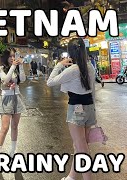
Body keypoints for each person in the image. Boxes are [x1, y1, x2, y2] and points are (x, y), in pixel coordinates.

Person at [47, 38, 96, 180]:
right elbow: (92, 91)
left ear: (70, 53)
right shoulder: (90, 67)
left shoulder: (73, 70)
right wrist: (94, 114)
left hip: (76, 110)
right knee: (80, 146)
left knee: (82, 149)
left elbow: (50, 82)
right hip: (89, 109)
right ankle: (72, 177)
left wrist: (58, 65)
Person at [0, 48, 26, 156]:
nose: (13, 58)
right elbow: (5, 80)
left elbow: (22, 79)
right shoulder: (1, 68)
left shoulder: (17, 68)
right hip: (6, 99)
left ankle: (13, 150)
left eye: (14, 56)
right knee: (4, 127)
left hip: (17, 98)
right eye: (10, 56)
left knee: (14, 126)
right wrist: (13, 66)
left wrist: (21, 66)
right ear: (5, 57)